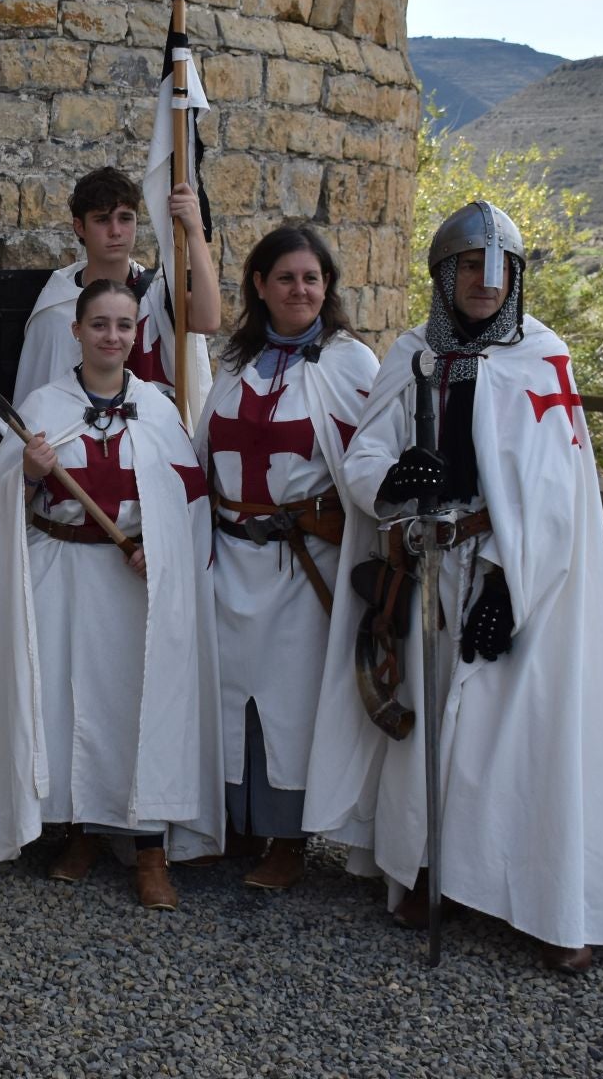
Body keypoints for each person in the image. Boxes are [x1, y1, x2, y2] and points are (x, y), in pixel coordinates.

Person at [302, 201, 603, 972]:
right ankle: (427, 871)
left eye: (498, 270)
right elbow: (365, 458)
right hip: (431, 565)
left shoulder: (541, 357)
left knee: (523, 739)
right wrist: (394, 481)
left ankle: (551, 906)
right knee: (433, 729)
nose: (483, 282)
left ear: (516, 278)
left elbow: (558, 490)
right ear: (444, 275)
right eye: (469, 266)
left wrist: (507, 583)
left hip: (519, 575)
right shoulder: (413, 355)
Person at [0, 281, 222, 909]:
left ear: (136, 334)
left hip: (131, 585)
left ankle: (149, 849)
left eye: (124, 326)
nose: (112, 337)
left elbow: (188, 500)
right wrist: (30, 471)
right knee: (63, 702)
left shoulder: (155, 408)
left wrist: (164, 549)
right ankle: (78, 829)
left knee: (136, 704)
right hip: (60, 571)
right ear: (77, 331)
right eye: (99, 324)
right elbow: (6, 492)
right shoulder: (43, 404)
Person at [193, 227, 377, 890]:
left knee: (290, 701)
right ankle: (236, 822)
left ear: (327, 287)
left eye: (312, 278)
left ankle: (288, 840)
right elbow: (205, 450)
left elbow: (373, 463)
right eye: (287, 278)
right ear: (260, 287)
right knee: (229, 692)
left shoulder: (350, 363)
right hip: (231, 554)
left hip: (304, 565)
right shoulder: (238, 362)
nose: (301, 290)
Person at [11, 166, 220, 419]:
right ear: (79, 227)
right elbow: (36, 411)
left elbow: (208, 321)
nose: (116, 231)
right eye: (102, 219)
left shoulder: (158, 292)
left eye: (125, 218)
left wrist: (195, 229)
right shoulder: (57, 306)